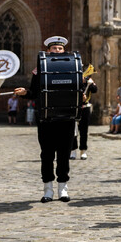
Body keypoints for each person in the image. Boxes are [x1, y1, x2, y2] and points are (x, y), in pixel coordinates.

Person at [14, 36, 79, 203]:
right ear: (48, 51)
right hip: (46, 119)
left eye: (59, 49)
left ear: (64, 51)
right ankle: (48, 189)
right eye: (53, 49)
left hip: (66, 118)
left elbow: (78, 90)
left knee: (64, 154)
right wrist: (24, 93)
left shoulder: (74, 67)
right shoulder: (40, 69)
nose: (56, 51)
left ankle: (63, 188)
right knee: (47, 154)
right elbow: (34, 92)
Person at [71, 69, 97, 160]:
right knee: (73, 131)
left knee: (83, 131)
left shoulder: (88, 84)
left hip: (85, 108)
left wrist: (92, 83)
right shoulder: (74, 82)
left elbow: (94, 90)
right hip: (75, 108)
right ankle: (73, 150)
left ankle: (83, 150)